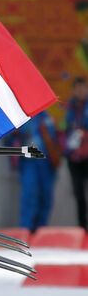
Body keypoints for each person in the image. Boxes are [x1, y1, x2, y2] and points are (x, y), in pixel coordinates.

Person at [13, 111, 59, 233]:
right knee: (29, 195)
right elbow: (13, 139)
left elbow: (57, 142)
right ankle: (26, 230)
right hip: (29, 162)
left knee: (45, 197)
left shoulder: (48, 118)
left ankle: (40, 230)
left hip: (46, 163)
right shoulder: (22, 119)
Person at [64, 77, 88, 230]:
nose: (80, 91)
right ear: (73, 90)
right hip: (74, 158)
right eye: (78, 88)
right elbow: (64, 130)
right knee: (79, 193)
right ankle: (82, 227)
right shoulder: (69, 108)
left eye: (83, 88)